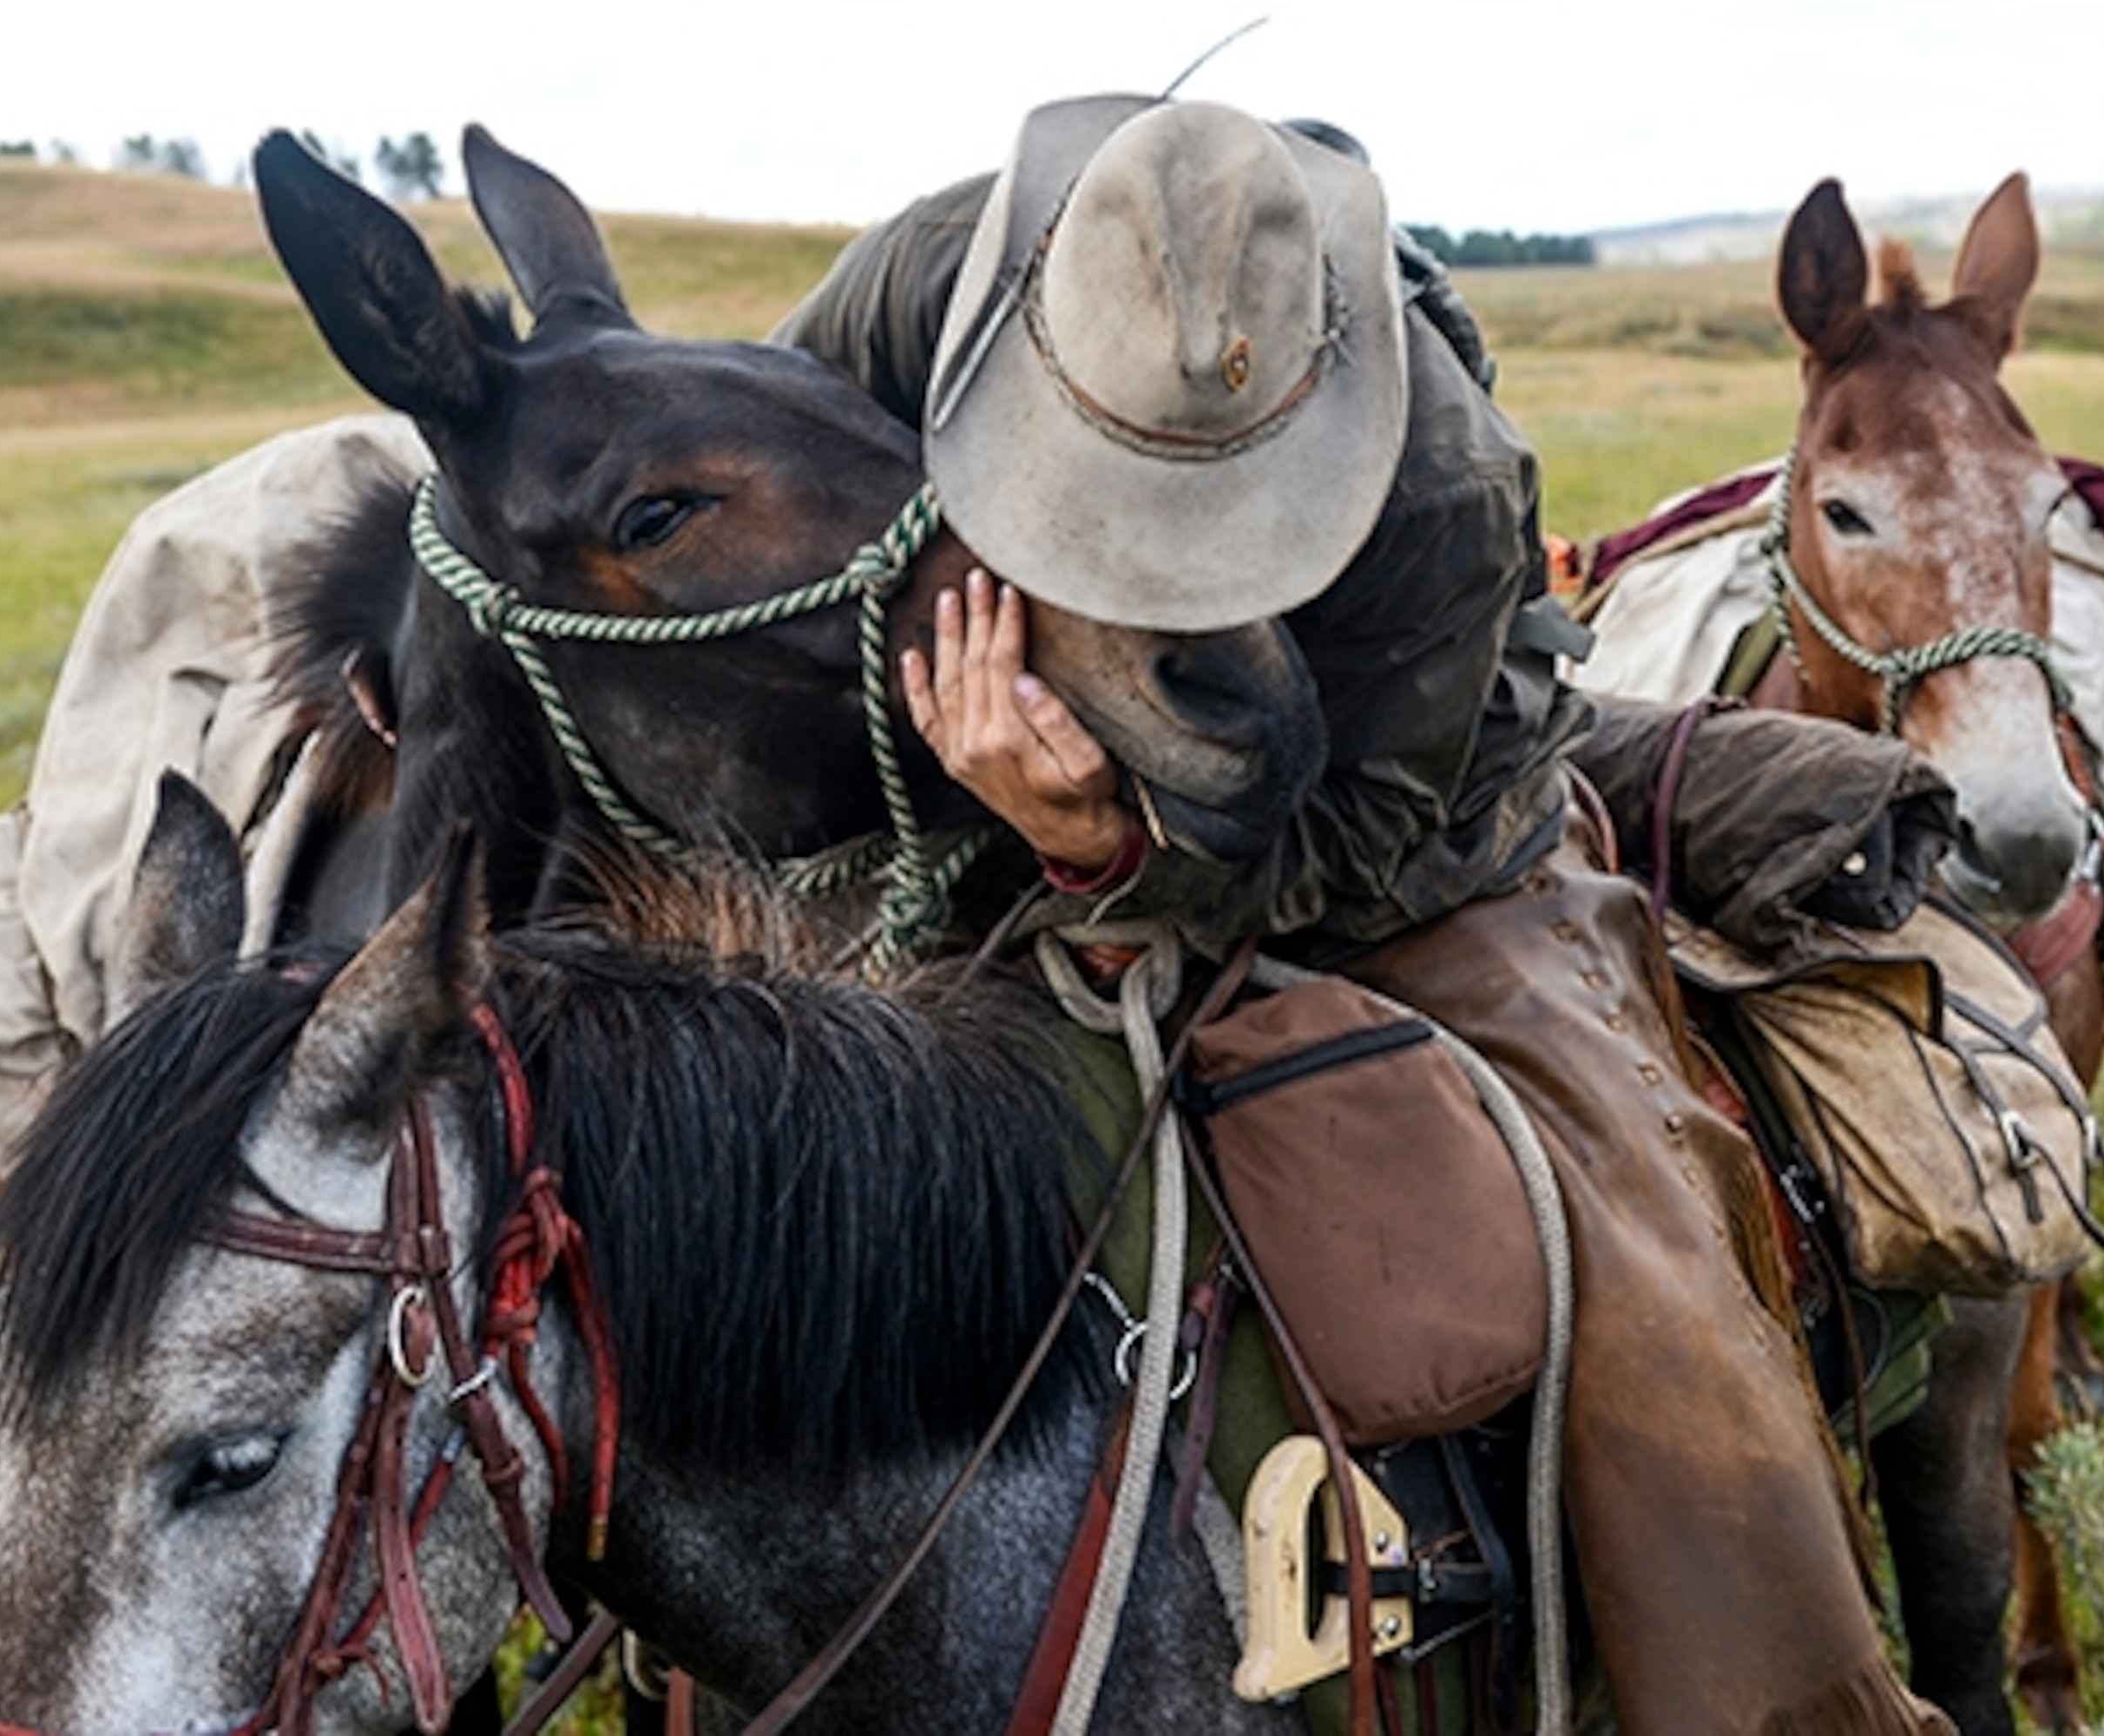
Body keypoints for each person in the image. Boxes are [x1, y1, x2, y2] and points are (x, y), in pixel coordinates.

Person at [773, 93, 1956, 1733]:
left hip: (1425, 859)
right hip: (983, 791)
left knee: (1654, 1307)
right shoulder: (937, 282)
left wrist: (1105, 852)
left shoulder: (1449, 485)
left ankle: (1783, 1689)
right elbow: (742, 475)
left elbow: (1371, 831)